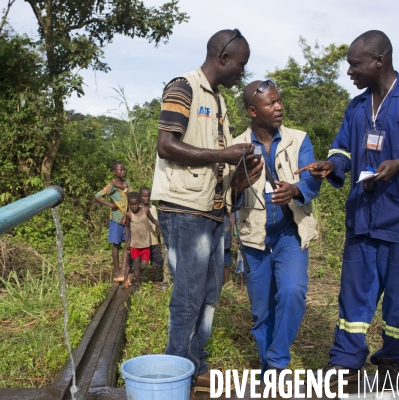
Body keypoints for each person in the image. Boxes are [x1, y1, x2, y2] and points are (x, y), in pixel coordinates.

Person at [296, 30, 399, 389]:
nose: (350, 72)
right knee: (353, 296)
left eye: (355, 64)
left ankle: (392, 360)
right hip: (364, 219)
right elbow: (344, 151)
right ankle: (346, 362)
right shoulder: (356, 107)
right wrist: (331, 165)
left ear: (378, 61)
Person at [150, 28, 263, 393]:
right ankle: (176, 369)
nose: (242, 74)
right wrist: (222, 155)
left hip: (213, 212)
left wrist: (239, 175)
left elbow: (218, 162)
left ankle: (195, 362)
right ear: (223, 58)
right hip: (184, 210)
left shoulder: (218, 100)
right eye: (240, 66)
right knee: (188, 293)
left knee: (210, 292)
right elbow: (166, 145)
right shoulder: (183, 87)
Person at [231, 79, 321, 374]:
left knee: (293, 291)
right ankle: (270, 370)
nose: (279, 106)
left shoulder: (298, 139)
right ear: (253, 111)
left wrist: (295, 190)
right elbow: (225, 194)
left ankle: (277, 361)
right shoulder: (236, 146)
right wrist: (238, 183)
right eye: (271, 103)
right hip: (253, 236)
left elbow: (311, 179)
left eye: (279, 100)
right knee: (261, 311)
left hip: (289, 233)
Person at [94, 161, 132, 282]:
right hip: (116, 218)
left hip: (127, 219)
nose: (123, 172)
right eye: (120, 170)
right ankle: (116, 270)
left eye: (124, 169)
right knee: (116, 244)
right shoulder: (111, 186)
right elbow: (97, 196)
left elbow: (133, 196)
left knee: (128, 243)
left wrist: (124, 189)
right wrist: (111, 204)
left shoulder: (127, 183)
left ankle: (124, 269)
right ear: (114, 172)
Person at [124, 192, 160, 290]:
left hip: (145, 244)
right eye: (131, 204)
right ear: (129, 204)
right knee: (136, 265)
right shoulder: (129, 215)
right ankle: (138, 285)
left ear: (140, 203)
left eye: (135, 204)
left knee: (144, 265)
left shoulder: (146, 211)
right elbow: (127, 228)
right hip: (135, 245)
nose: (134, 206)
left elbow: (153, 220)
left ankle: (133, 275)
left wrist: (160, 224)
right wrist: (127, 241)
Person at [139, 187, 168, 285]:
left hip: (153, 240)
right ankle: (134, 277)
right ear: (140, 197)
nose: (147, 198)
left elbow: (156, 225)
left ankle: (162, 279)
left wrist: (159, 241)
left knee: (159, 260)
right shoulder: (136, 208)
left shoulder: (153, 208)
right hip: (141, 241)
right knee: (143, 263)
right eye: (144, 196)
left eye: (149, 196)